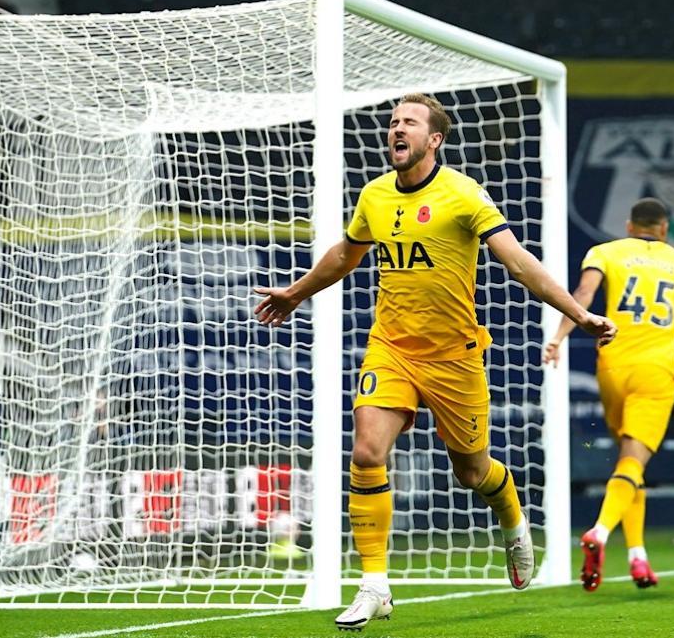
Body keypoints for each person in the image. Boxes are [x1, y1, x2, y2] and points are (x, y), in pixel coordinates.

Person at [254, 93, 616, 630]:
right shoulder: (375, 196)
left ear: (434, 139)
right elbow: (344, 256)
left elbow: (518, 262)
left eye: (409, 123)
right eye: (393, 121)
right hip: (392, 348)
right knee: (367, 449)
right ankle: (374, 583)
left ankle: (512, 515)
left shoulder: (463, 195)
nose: (396, 129)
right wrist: (296, 293)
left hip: (454, 359)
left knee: (472, 472)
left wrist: (577, 314)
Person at [542, 197, 674, 592]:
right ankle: (600, 533)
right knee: (633, 464)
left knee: (626, 461)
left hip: (612, 366)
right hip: (656, 372)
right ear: (665, 228)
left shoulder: (605, 252)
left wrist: (558, 338)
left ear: (629, 224)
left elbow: (583, 295)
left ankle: (638, 557)